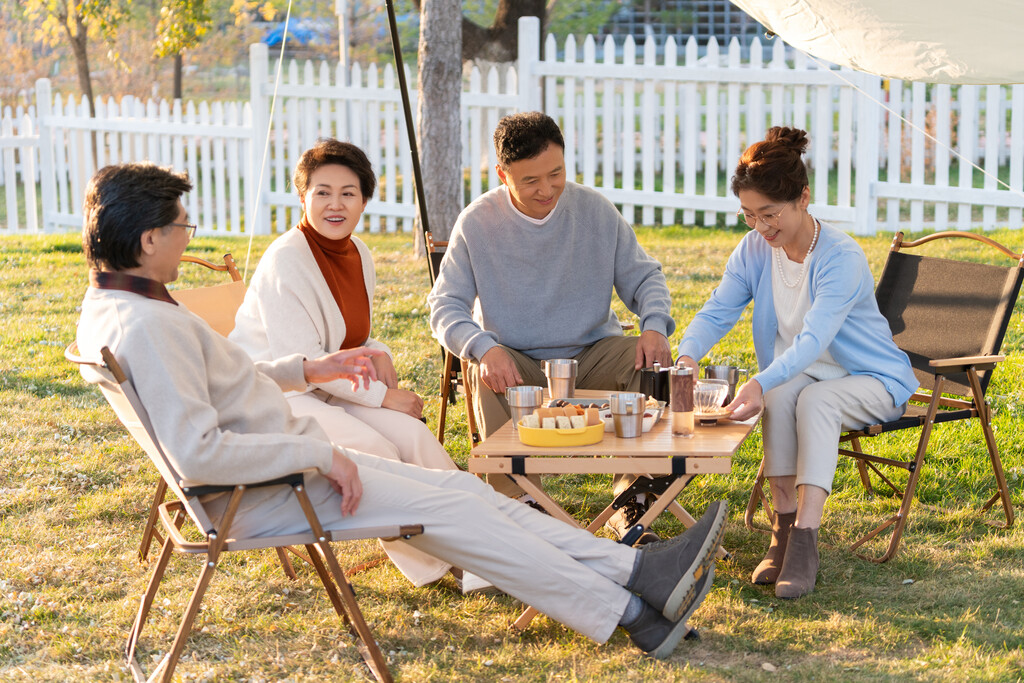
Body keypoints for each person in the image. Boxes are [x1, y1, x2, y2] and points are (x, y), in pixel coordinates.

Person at [75, 161, 729, 659]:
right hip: (266, 490)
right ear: (150, 236)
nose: (189, 235)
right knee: (457, 507)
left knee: (459, 497)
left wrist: (310, 367)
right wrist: (320, 451)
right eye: (183, 225)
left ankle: (639, 573)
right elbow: (198, 454)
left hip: (277, 468)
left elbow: (230, 378)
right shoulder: (148, 327)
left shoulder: (116, 305)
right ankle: (630, 609)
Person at [675, 127, 917, 598]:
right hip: (802, 375)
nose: (761, 228)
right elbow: (718, 309)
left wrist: (759, 381)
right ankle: (781, 529)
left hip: (871, 379)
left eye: (770, 214)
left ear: (803, 198)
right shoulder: (754, 250)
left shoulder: (840, 257)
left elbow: (812, 340)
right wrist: (687, 355)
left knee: (814, 399)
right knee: (787, 390)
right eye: (749, 216)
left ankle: (805, 540)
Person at [428, 112, 675, 539]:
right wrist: (483, 347)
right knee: (482, 370)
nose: (546, 190)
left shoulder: (595, 209)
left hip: (592, 353)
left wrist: (654, 325)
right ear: (503, 175)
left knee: (649, 363)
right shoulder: (477, 222)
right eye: (530, 181)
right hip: (516, 362)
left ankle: (633, 503)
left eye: (556, 173)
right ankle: (522, 510)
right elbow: (445, 305)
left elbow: (646, 277)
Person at [229, 139, 458, 588]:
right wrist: (384, 396)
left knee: (412, 434)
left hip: (328, 387)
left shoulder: (359, 253)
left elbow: (352, 335)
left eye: (348, 193)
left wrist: (381, 353)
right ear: (302, 197)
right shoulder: (286, 260)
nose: (335, 205)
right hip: (280, 395)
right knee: (377, 452)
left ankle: (472, 536)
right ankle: (435, 563)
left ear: (364, 200)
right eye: (322, 192)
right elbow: (311, 362)